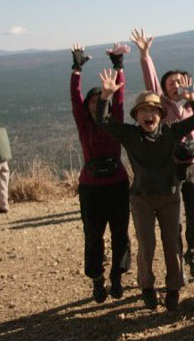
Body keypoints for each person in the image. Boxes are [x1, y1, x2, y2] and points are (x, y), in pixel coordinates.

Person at [95, 68, 194, 311]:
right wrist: (105, 97)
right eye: (144, 110)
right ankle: (147, 288)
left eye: (153, 110)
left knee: (172, 243)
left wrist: (192, 99)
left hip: (170, 196)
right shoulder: (130, 134)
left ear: (160, 114)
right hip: (142, 198)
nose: (149, 114)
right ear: (137, 116)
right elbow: (102, 121)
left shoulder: (170, 131)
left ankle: (173, 289)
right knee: (146, 244)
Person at [132, 28, 194, 280]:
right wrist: (145, 55)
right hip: (172, 167)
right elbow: (152, 83)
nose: (176, 85)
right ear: (165, 89)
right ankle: (178, 261)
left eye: (180, 81)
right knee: (175, 219)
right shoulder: (162, 106)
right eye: (171, 83)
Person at [69, 43, 131, 303]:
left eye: (99, 101)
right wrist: (76, 69)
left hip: (116, 184)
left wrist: (119, 67)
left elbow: (118, 97)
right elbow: (75, 96)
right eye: (92, 102)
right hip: (91, 188)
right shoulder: (84, 125)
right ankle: (97, 280)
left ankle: (117, 276)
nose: (96, 105)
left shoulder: (114, 121)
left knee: (120, 233)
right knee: (93, 235)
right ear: (86, 107)